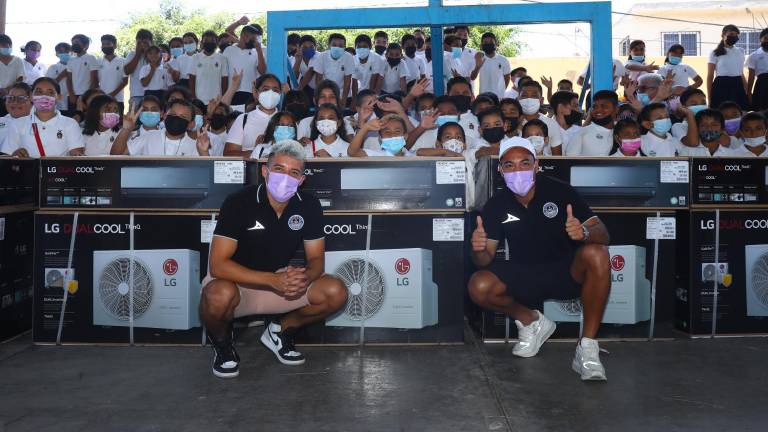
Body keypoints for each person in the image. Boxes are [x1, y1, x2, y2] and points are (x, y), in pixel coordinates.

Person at [468, 137, 611, 381]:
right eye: (510, 166)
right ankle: (532, 321)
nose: (518, 171)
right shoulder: (495, 205)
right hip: (524, 272)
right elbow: (484, 259)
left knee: (597, 253)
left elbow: (604, 234)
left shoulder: (561, 191)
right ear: (500, 170)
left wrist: (585, 232)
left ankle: (586, 348)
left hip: (565, 270)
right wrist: (479, 248)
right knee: (478, 285)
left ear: (536, 165)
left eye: (525, 163)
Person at [200, 140, 347, 377]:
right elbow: (218, 265)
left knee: (335, 291)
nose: (286, 177)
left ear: (301, 180)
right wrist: (270, 280)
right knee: (217, 295)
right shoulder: (239, 202)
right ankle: (223, 346)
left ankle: (280, 331)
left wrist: (304, 276)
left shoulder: (309, 205)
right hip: (237, 285)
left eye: (294, 172)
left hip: (280, 285)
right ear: (265, 171)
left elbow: (317, 258)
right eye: (279, 169)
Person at [1, 77, 84, 157]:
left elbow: (76, 157)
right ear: (31, 97)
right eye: (39, 92)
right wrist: (15, 155)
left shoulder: (70, 124)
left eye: (50, 92)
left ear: (59, 97)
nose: (44, 96)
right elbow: (7, 157)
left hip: (61, 170)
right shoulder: (17, 124)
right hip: (28, 171)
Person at [111, 98, 210, 156]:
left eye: (183, 117)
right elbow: (115, 155)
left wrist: (204, 153)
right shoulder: (148, 137)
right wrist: (126, 129)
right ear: (165, 116)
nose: (176, 119)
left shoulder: (196, 146)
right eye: (173, 114)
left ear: (191, 124)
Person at [223, 74, 281, 156]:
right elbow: (228, 154)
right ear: (256, 93)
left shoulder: (287, 120)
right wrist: (257, 151)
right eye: (265, 89)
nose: (270, 93)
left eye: (275, 90)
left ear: (280, 94)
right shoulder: (243, 119)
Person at [223, 24, 266, 107]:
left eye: (256, 39)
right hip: (231, 92)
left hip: (250, 93)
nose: (255, 41)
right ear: (244, 36)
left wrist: (259, 51)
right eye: (253, 39)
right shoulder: (229, 50)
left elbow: (263, 71)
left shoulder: (256, 52)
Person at [707, 25, 749, 110]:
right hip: (721, 85)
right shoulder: (714, 52)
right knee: (721, 113)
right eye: (731, 34)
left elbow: (741, 73)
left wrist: (748, 91)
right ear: (723, 35)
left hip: (738, 85)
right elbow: (710, 75)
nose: (734, 36)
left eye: (736, 35)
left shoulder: (740, 51)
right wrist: (709, 96)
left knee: (741, 112)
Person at [566, 90, 618, 156]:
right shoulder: (583, 133)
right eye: (594, 107)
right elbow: (570, 162)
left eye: (604, 106)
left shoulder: (624, 131)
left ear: (616, 109)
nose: (598, 110)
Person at [517, 80, 562, 155]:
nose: (529, 99)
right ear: (518, 99)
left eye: (534, 96)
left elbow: (557, 158)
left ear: (541, 100)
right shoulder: (513, 124)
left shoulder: (551, 124)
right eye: (524, 96)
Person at [313, 34, 355, 108]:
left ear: (344, 47)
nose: (337, 48)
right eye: (334, 45)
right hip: (326, 94)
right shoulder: (321, 57)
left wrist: (344, 100)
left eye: (341, 46)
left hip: (343, 94)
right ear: (329, 46)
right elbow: (318, 80)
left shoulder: (348, 57)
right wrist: (319, 97)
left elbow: (347, 82)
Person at [190, 31, 228, 104]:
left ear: (217, 43)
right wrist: (194, 97)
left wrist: (222, 98)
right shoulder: (195, 57)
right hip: (199, 100)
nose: (209, 43)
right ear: (202, 42)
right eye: (206, 40)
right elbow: (192, 79)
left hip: (216, 100)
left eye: (212, 41)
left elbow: (224, 80)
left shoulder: (222, 58)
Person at [348, 114, 414, 157]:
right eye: (387, 132)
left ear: (405, 136)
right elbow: (353, 152)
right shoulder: (376, 155)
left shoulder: (414, 156)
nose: (392, 135)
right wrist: (365, 128)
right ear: (380, 138)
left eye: (397, 131)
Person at [470, 32, 511, 101]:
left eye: (491, 42)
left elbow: (507, 78)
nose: (488, 44)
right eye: (485, 42)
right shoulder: (478, 58)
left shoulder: (503, 60)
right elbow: (472, 77)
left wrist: (501, 91)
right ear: (481, 46)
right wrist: (477, 67)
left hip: (499, 98)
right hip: (483, 97)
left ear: (496, 44)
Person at [97, 34, 128, 114]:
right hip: (102, 100)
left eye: (108, 44)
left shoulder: (123, 61)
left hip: (118, 100)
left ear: (114, 45)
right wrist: (102, 96)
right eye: (103, 44)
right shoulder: (98, 61)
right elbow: (95, 81)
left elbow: (125, 81)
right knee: (102, 124)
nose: (105, 46)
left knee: (118, 125)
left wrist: (112, 95)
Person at [124, 29, 154, 110]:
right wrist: (137, 55)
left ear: (151, 43)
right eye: (139, 43)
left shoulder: (156, 55)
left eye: (145, 43)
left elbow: (154, 68)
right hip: (136, 95)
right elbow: (127, 71)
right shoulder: (131, 54)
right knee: (133, 121)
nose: (142, 45)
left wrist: (147, 54)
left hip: (153, 94)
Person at [66, 34, 98, 109]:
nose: (74, 45)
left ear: (86, 45)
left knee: (87, 119)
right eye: (73, 43)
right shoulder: (71, 60)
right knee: (73, 119)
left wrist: (88, 96)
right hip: (73, 96)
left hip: (87, 95)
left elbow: (94, 79)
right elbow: (69, 79)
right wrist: (71, 94)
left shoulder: (91, 58)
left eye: (77, 42)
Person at [46, 43, 71, 115]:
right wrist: (61, 76)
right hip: (58, 103)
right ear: (56, 54)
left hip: (73, 101)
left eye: (66, 51)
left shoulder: (76, 66)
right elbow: (48, 85)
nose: (64, 53)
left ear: (71, 52)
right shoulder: (53, 67)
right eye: (61, 52)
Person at [747, 28, 768, 112]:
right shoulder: (754, 56)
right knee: (761, 112)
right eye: (766, 38)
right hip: (761, 86)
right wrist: (749, 93)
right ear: (760, 39)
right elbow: (751, 76)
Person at [294, 35, 319, 105]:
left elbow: (310, 73)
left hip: (320, 86)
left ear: (315, 47)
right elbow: (295, 76)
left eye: (311, 47)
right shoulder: (297, 56)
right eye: (305, 47)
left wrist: (298, 91)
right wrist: (298, 61)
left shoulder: (318, 56)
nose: (308, 49)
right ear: (300, 48)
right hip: (307, 86)